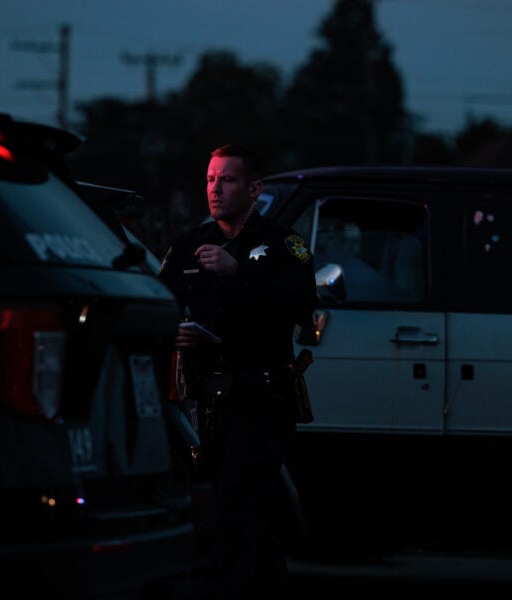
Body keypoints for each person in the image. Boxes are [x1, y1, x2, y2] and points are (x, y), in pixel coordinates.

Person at [158, 144, 316, 599]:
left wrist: (239, 269)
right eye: (210, 179)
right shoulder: (188, 244)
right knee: (241, 512)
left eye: (227, 180)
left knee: (240, 504)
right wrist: (178, 333)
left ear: (254, 188)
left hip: (261, 394)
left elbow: (301, 304)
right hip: (205, 399)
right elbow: (161, 303)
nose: (215, 188)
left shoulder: (287, 244)